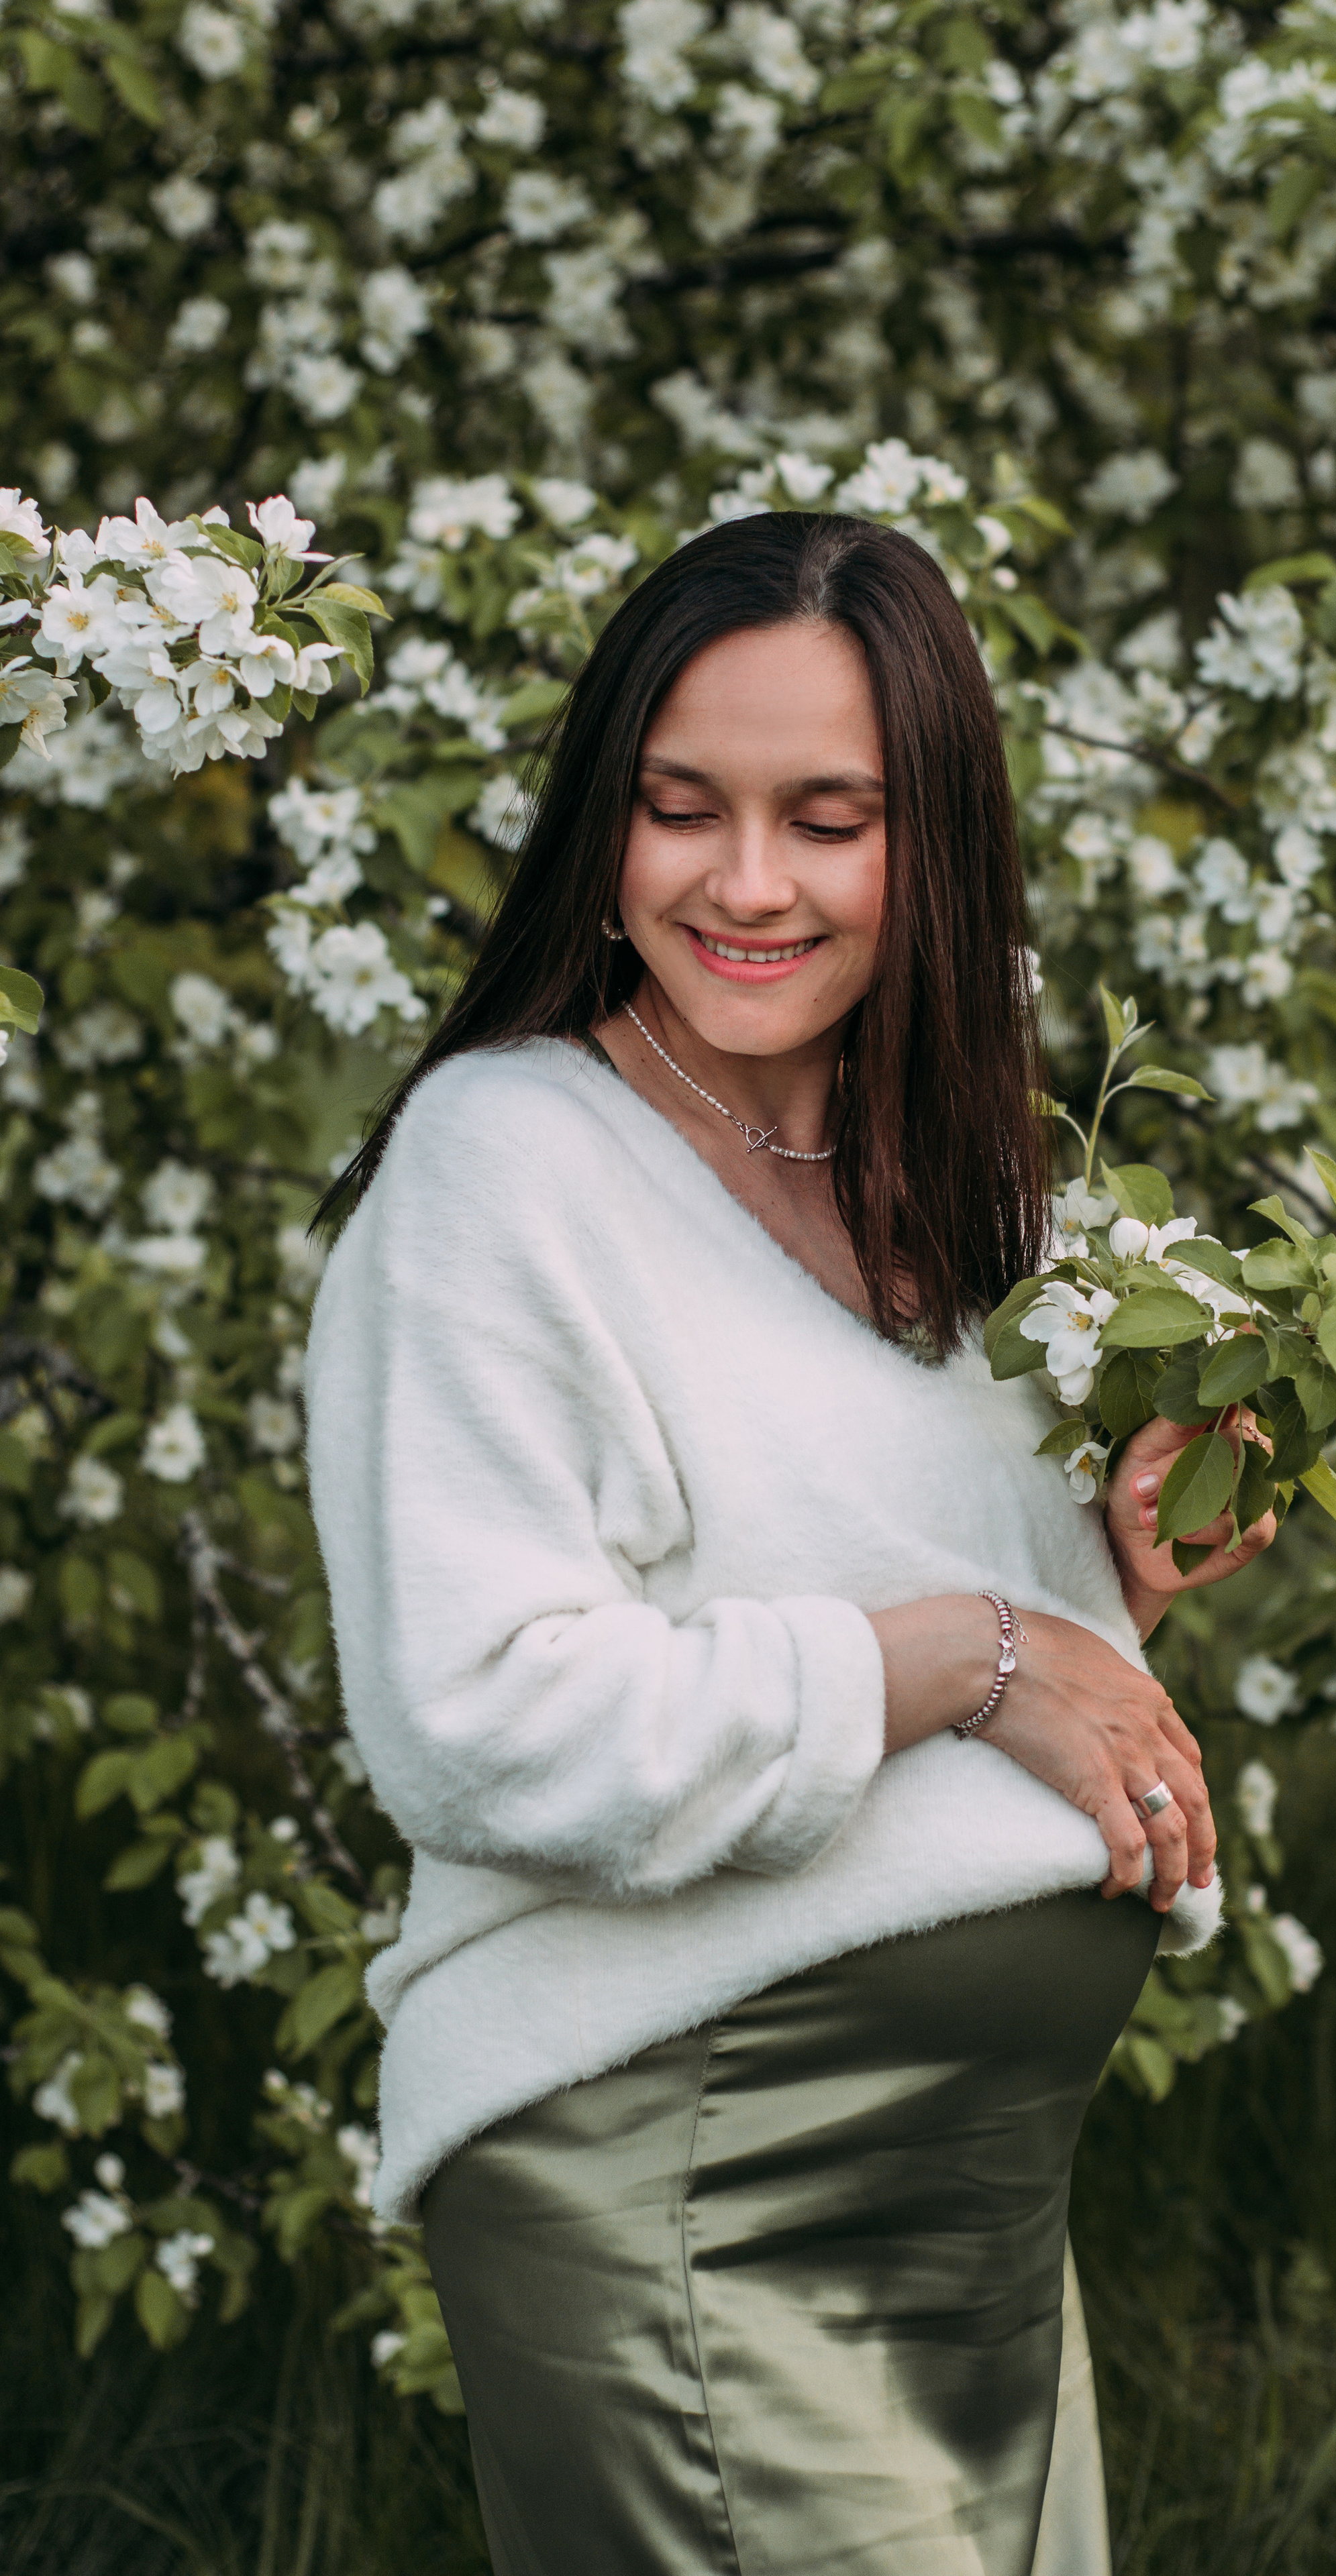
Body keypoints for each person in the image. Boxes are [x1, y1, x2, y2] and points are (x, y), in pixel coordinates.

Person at [303, 511, 1278, 2576]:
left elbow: (957, 1627)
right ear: (604, 825)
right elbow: (482, 1722)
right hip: (699, 2165)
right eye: (682, 809)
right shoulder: (509, 1161)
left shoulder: (941, 1162)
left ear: (932, 847)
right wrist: (967, 1655)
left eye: (826, 821)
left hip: (980, 2200)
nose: (746, 885)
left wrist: (1119, 1562)